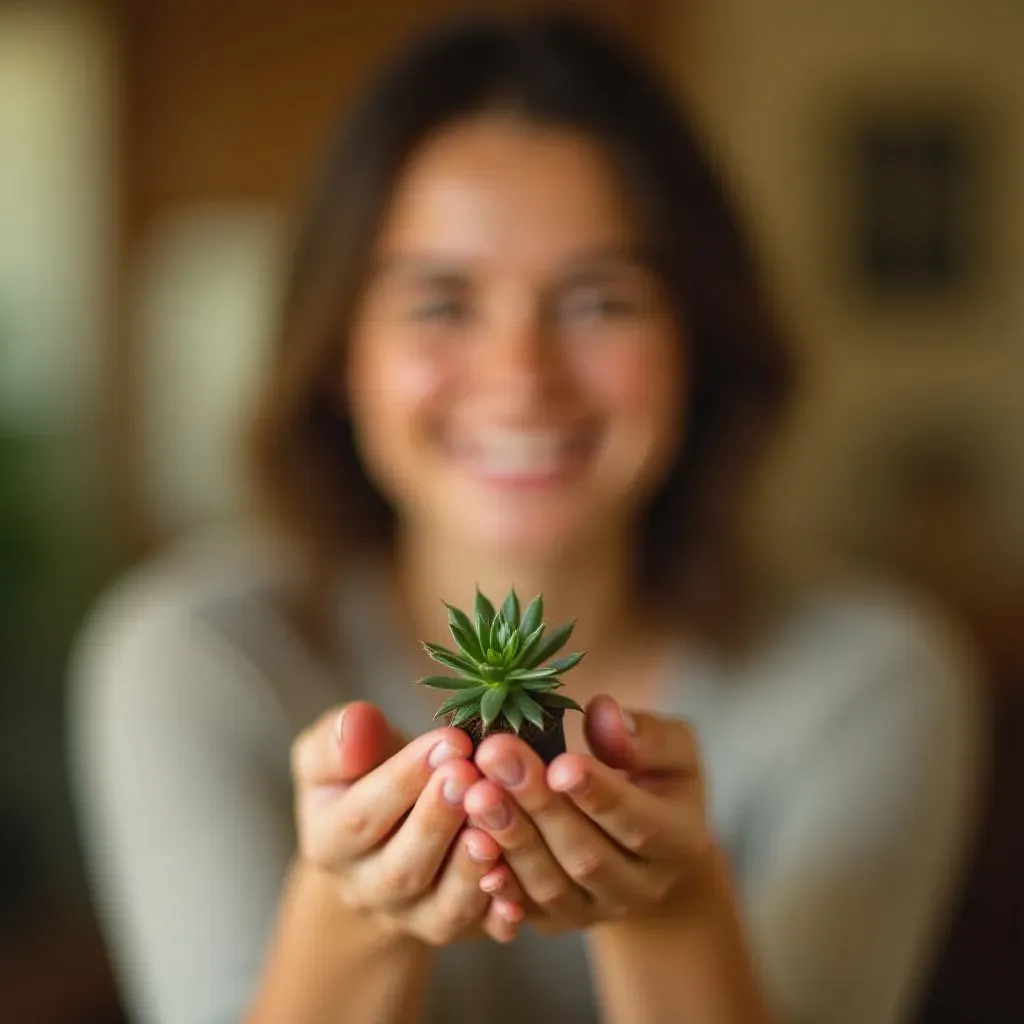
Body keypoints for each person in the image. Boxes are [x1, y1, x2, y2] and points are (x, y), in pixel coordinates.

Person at [68, 13, 985, 1024]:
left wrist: (669, 903)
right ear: (339, 352)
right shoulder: (200, 660)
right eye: (441, 303)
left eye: (598, 301)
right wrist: (357, 909)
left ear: (698, 340)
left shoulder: (866, 679)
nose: (521, 377)